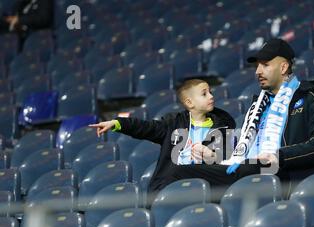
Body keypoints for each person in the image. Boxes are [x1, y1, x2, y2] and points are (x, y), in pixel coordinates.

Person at [170, 38, 314, 197]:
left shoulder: (310, 98)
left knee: (243, 170)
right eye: (257, 66)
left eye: (265, 65)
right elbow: (243, 151)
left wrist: (279, 157)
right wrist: (213, 157)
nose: (258, 71)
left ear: (284, 67)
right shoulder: (258, 107)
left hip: (285, 173)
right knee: (179, 171)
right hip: (250, 168)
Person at [89, 79, 236, 202]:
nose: (211, 96)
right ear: (190, 103)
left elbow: (225, 154)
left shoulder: (223, 123)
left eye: (210, 92)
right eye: (204, 94)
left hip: (208, 187)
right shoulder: (173, 124)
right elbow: (146, 127)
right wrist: (117, 123)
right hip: (173, 187)